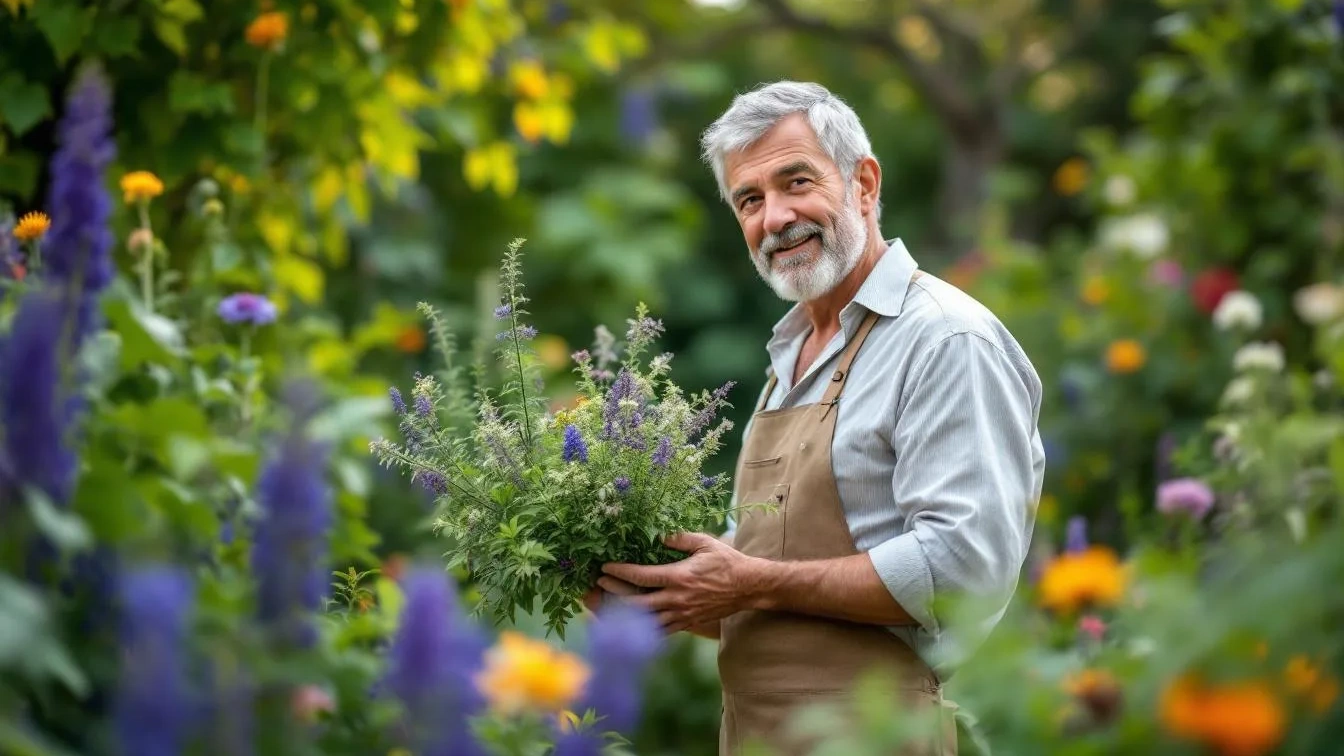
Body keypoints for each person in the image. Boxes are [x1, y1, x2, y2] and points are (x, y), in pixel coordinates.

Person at [586, 81, 1045, 756]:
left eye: (795, 182)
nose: (774, 218)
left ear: (863, 183)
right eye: (749, 199)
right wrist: (664, 594)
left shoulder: (945, 339)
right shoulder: (792, 353)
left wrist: (753, 582)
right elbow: (771, 590)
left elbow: (960, 569)